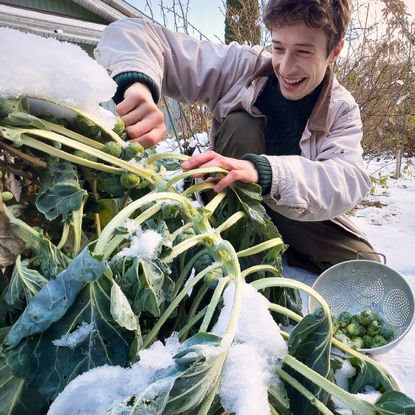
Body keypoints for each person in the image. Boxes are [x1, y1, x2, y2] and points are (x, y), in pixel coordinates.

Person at [95, 0, 380, 272]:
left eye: (304, 52)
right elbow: (130, 31)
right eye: (278, 47)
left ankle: (280, 243)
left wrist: (265, 173)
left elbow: (347, 178)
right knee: (241, 124)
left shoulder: (341, 109)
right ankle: (238, 251)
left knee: (366, 265)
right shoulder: (241, 67)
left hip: (292, 206)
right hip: (229, 195)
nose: (286, 67)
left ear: (335, 51)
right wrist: (137, 86)